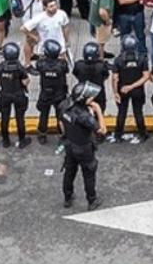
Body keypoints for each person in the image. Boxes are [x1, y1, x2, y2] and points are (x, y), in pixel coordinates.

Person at [59, 81, 106, 210]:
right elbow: (102, 130)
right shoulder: (84, 116)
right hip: (84, 148)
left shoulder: (64, 105)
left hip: (69, 144)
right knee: (89, 174)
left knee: (69, 171)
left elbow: (61, 123)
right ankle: (92, 200)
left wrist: (66, 136)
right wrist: (98, 111)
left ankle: (67, 198)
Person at [112, 35, 151, 142]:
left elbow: (115, 78)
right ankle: (142, 134)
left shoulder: (118, 60)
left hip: (122, 89)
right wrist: (132, 86)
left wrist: (115, 92)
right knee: (138, 112)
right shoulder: (142, 59)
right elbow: (146, 76)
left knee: (121, 112)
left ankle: (118, 135)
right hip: (137, 90)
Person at [0, 43, 31, 149]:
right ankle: (22, 139)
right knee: (20, 119)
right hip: (18, 96)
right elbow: (25, 82)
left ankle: (5, 141)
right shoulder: (20, 68)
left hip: (5, 96)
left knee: (4, 118)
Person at [34, 39, 70, 145]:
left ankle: (42, 134)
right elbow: (66, 70)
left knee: (44, 115)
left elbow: (38, 65)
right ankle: (61, 134)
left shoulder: (41, 64)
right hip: (59, 94)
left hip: (45, 93)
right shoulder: (62, 65)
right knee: (60, 115)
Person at [73, 42, 110, 124]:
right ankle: (98, 133)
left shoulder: (79, 65)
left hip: (83, 92)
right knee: (99, 114)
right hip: (98, 93)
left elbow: (75, 74)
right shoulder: (101, 66)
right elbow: (106, 76)